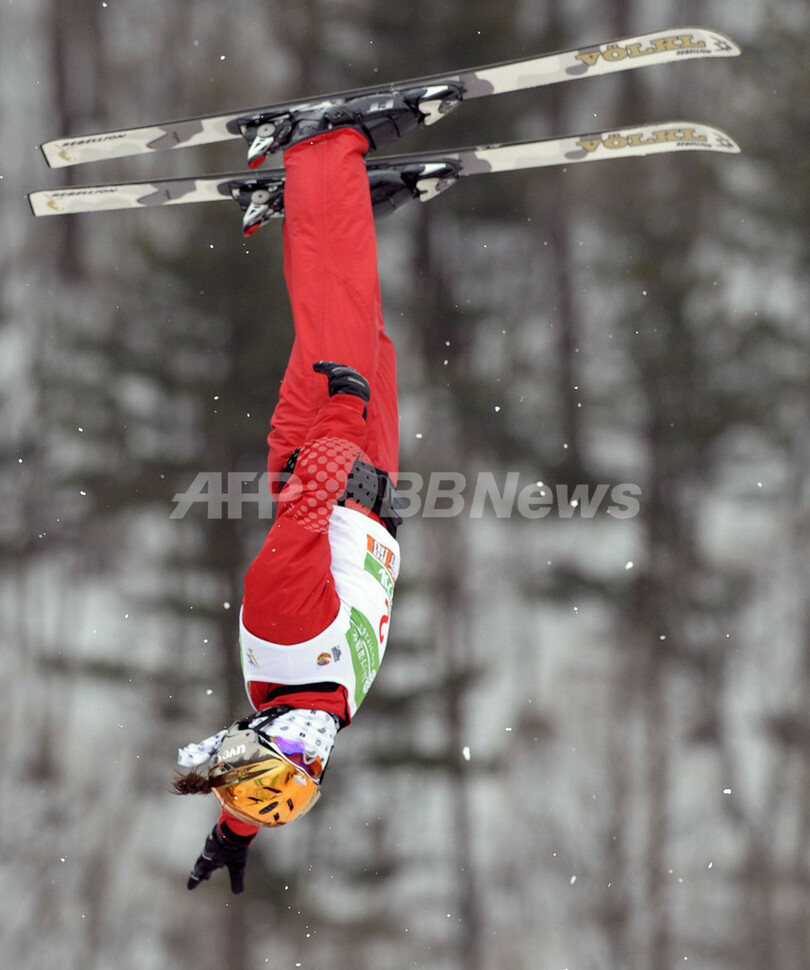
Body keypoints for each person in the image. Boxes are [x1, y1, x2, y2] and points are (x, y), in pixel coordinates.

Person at [172, 100, 420, 895]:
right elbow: (277, 774)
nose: (314, 749)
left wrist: (340, 414)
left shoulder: (287, 635)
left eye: (295, 753)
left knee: (340, 320)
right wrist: (234, 828)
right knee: (359, 323)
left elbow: (304, 509)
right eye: (313, 767)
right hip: (359, 470)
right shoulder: (314, 704)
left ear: (261, 732)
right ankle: (321, 207)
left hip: (333, 456)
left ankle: (319, 153)